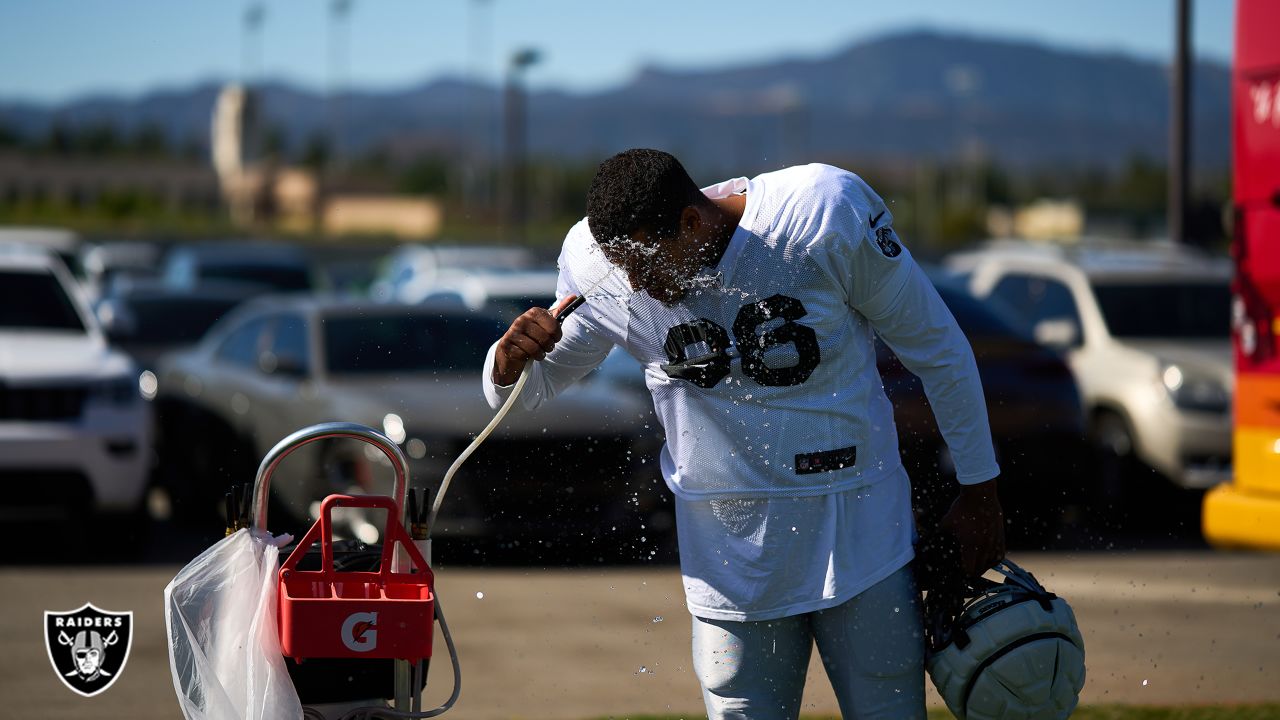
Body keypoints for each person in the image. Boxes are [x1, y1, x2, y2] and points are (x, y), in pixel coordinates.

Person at [483, 148, 1004, 719]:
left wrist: (981, 491)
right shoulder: (597, 261)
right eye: (619, 265)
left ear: (689, 221)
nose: (633, 281)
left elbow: (939, 349)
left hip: (859, 529)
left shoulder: (817, 216)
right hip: (729, 555)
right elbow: (530, 387)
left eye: (644, 261)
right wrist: (508, 360)